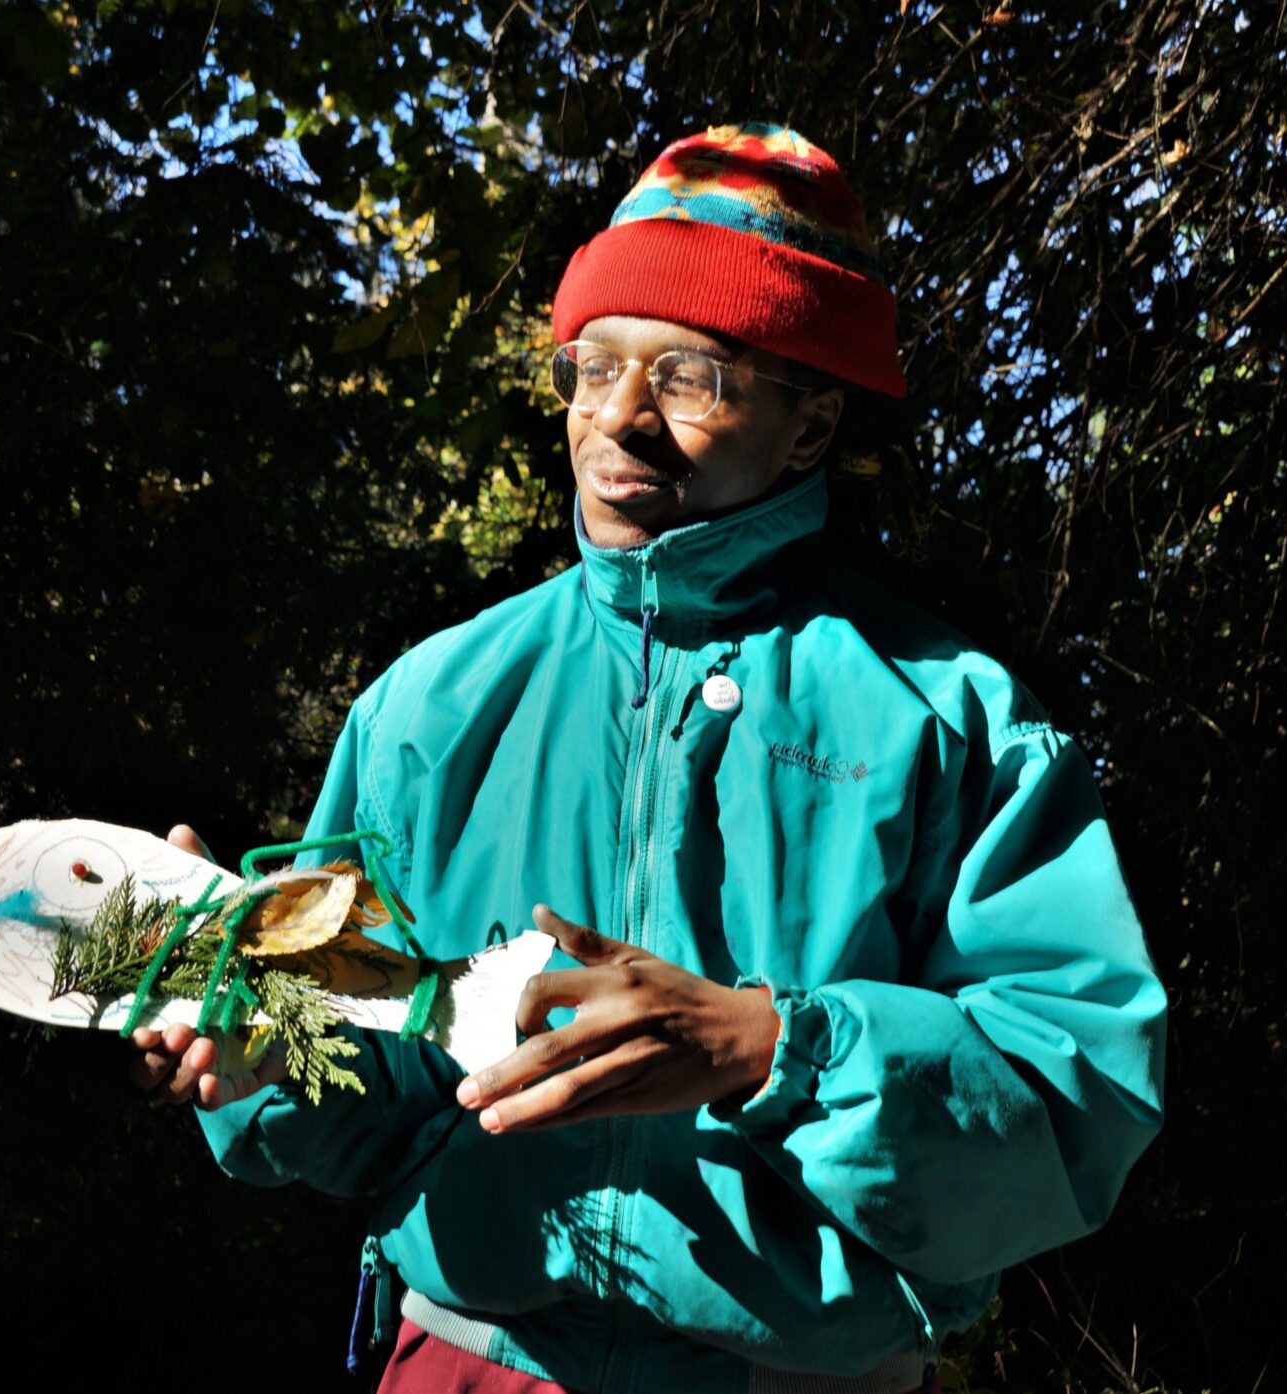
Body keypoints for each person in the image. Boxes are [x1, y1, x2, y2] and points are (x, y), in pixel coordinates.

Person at [131, 123, 1166, 1394]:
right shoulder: (430, 704)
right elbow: (375, 1090)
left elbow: (1080, 1093)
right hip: (473, 1367)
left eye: (691, 373)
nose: (621, 417)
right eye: (593, 368)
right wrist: (267, 1055)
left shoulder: (946, 718)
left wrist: (770, 1046)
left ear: (806, 426)